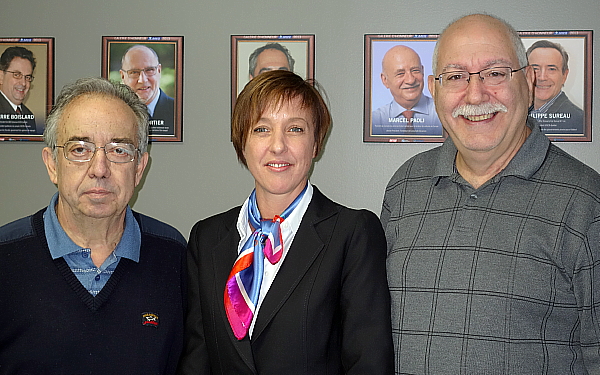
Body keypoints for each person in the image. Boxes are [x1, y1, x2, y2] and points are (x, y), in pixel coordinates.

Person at [381, 14, 600, 374]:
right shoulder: (405, 187)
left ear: (528, 82)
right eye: (455, 77)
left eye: (495, 73)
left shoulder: (586, 202)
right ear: (434, 91)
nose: (476, 94)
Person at [178, 70, 394, 374]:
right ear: (242, 144)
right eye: (262, 129)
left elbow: (368, 364)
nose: (278, 146)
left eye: (295, 129)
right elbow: (197, 360)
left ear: (316, 144)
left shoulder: (352, 233)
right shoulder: (206, 237)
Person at [0, 77, 186, 374]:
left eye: (119, 150)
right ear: (52, 164)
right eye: (79, 149)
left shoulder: (174, 256)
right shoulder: (5, 257)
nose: (99, 170)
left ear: (139, 168)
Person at [372, 45, 442, 136]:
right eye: (400, 74)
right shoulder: (375, 120)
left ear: (423, 71)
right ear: (385, 80)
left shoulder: (443, 113)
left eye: (415, 70)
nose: (410, 80)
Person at [527, 40, 585, 135]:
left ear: (564, 76)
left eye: (551, 69)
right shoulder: (514, 113)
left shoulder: (580, 121)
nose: (542, 77)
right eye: (535, 69)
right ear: (526, 73)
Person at [120, 44, 175, 136]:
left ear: (159, 71)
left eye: (149, 70)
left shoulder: (178, 111)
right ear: (122, 76)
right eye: (134, 72)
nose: (142, 80)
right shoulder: (116, 114)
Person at [0, 46, 37, 134]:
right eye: (17, 75)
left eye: (27, 77)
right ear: (1, 76)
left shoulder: (28, 115)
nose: (24, 83)